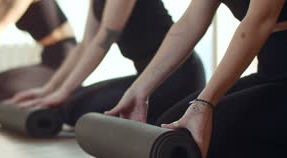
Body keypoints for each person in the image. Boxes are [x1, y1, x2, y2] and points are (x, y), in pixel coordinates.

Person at [107, 0, 287, 158]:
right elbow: (190, 23)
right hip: (270, 73)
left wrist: (204, 104)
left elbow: (258, 22)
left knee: (183, 149)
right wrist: (139, 89)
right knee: (170, 132)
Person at [11, 0, 206, 127]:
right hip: (144, 78)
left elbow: (104, 39)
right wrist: (50, 89)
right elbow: (86, 43)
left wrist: (63, 91)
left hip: (177, 77)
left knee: (74, 108)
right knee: (71, 103)